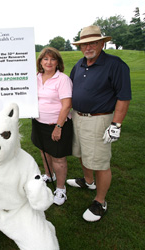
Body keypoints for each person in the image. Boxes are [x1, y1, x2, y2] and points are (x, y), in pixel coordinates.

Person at [66, 25, 131, 222]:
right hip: (77, 117)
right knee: (81, 153)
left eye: (93, 42)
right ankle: (88, 181)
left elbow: (124, 97)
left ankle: (100, 201)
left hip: (99, 119)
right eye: (84, 44)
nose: (88, 47)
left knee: (101, 162)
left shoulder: (115, 64)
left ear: (103, 43)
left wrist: (116, 124)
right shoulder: (79, 65)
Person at [31, 47, 73, 206]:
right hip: (39, 123)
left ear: (58, 62)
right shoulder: (35, 77)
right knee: (44, 150)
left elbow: (67, 105)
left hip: (56, 124)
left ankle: (61, 189)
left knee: (58, 157)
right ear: (40, 62)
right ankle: (49, 175)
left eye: (52, 59)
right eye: (45, 59)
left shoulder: (62, 79)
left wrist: (58, 127)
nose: (48, 62)